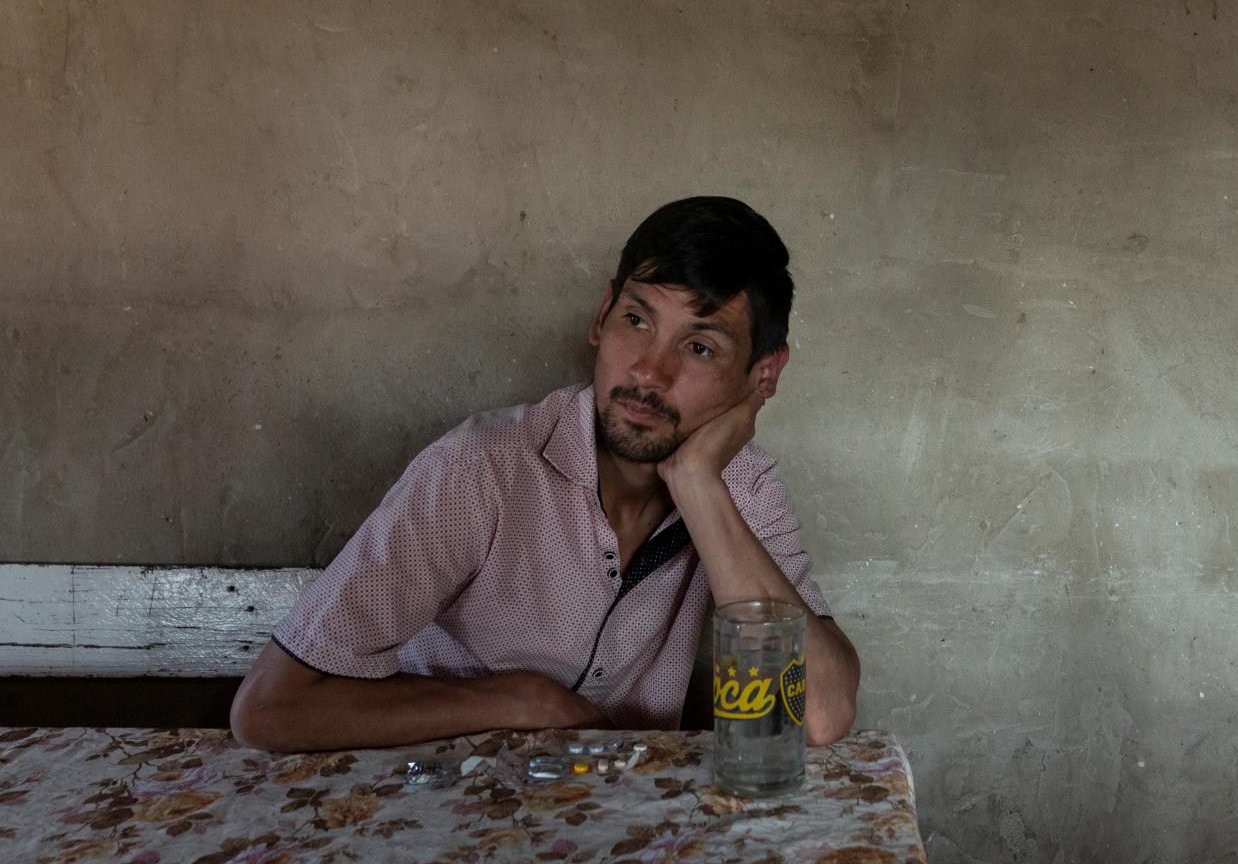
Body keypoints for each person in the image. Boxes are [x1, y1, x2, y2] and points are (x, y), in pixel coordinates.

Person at [230, 197, 860, 752]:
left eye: (699, 348)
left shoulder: (742, 489)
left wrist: (697, 483)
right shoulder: (482, 468)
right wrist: (517, 702)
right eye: (636, 321)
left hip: (610, 834)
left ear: (763, 375)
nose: (647, 372)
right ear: (602, 314)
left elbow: (820, 717)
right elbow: (271, 708)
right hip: (443, 813)